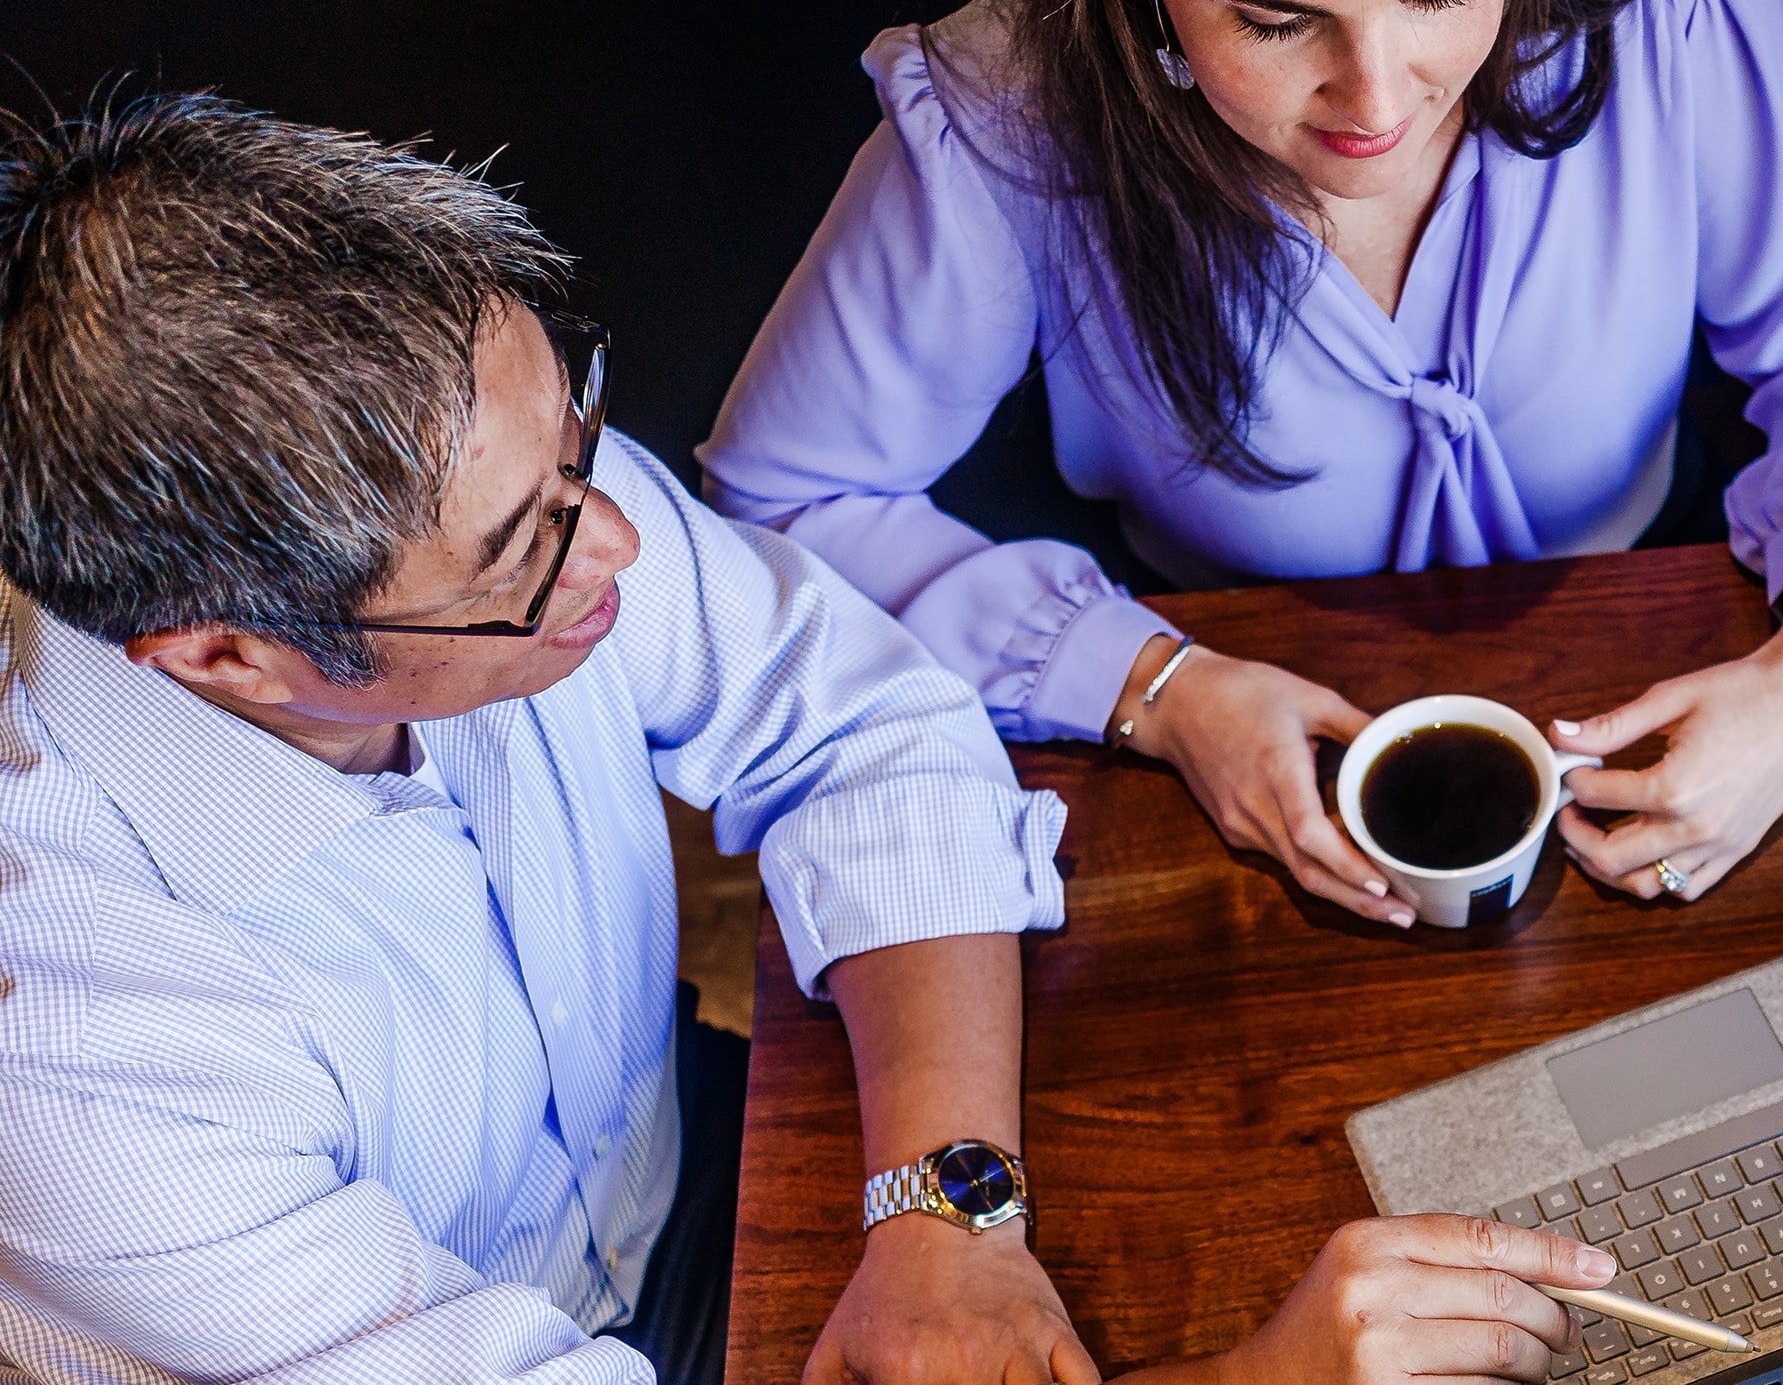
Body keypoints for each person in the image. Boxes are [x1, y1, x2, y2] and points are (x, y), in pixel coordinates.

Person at [0, 95, 1623, 1385]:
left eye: (583, 445)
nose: (619, 547)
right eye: (527, 553)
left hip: (685, 1180)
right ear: (227, 656)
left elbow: (866, 730)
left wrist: (947, 1207)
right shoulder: (79, 1065)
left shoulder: (476, 485)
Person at [698, 0, 1783, 923]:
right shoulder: (1010, 113)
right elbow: (785, 499)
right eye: (1271, 20)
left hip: (1679, 668)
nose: (1379, 101)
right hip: (1240, 750)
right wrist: (1157, 687)